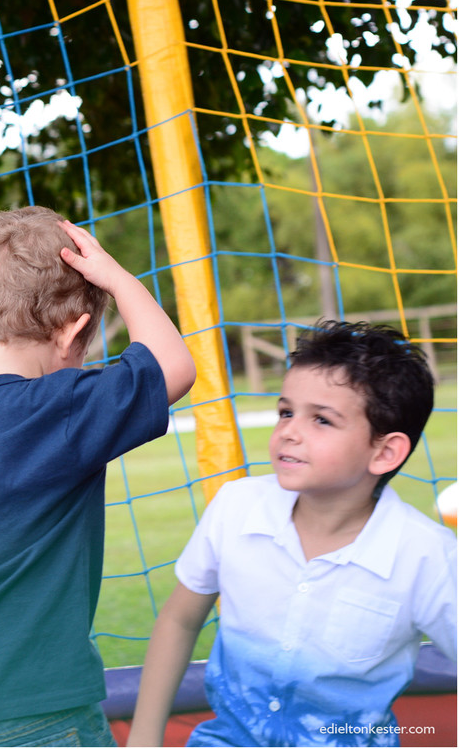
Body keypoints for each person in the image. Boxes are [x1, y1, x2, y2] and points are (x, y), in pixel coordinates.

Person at [0, 206, 197, 746]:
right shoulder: (59, 409)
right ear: (76, 334)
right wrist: (117, 279)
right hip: (30, 716)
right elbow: (174, 366)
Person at [127, 320, 457, 747]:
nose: (289, 431)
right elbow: (178, 619)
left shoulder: (426, 556)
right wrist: (143, 738)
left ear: (385, 451)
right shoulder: (236, 507)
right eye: (286, 411)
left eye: (321, 419)